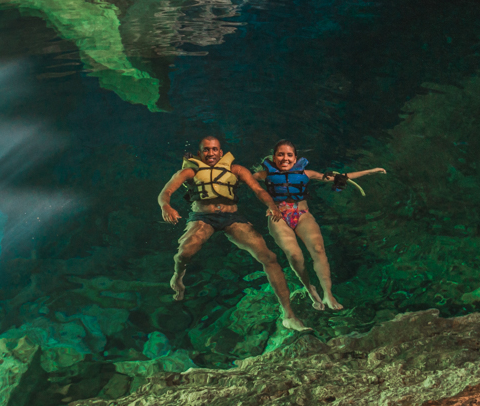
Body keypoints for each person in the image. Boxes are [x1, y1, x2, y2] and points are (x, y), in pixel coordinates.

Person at [158, 136, 310, 332]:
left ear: (221, 153)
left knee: (269, 257)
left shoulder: (236, 170)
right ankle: (178, 277)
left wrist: (272, 205)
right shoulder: (189, 171)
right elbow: (166, 191)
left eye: (214, 150)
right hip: (202, 218)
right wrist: (166, 206)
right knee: (183, 254)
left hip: (232, 217)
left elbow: (258, 190)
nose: (211, 153)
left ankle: (288, 315)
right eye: (206, 150)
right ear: (200, 153)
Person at [253, 140, 385, 311]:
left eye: (289, 155)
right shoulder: (264, 175)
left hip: (302, 215)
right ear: (274, 157)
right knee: (294, 255)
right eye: (280, 154)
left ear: (295, 158)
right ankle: (309, 288)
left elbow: (340, 177)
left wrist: (371, 171)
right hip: (278, 217)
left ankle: (328, 294)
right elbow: (240, 179)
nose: (285, 158)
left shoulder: (307, 173)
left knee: (318, 249)